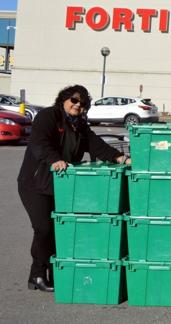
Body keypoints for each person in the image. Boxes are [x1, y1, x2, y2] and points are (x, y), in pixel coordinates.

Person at [17, 85, 129, 292]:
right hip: (36, 183)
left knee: (59, 230)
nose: (78, 105)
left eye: (83, 103)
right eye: (75, 100)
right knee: (44, 228)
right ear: (64, 99)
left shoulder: (79, 125)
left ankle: (54, 273)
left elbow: (96, 145)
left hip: (63, 185)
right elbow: (39, 143)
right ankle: (37, 275)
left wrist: (120, 157)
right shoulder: (48, 116)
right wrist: (55, 159)